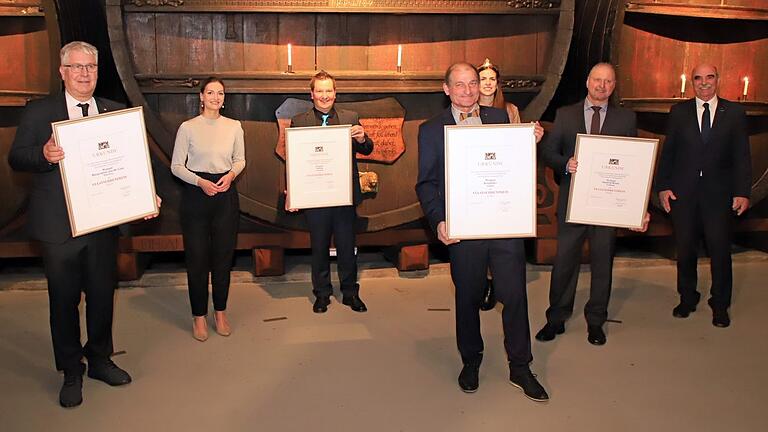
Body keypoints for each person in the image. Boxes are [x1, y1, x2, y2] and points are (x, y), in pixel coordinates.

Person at [8, 41, 160, 408]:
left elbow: (132, 165)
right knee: (63, 300)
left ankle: (100, 359)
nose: (84, 73)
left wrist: (144, 196)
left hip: (103, 225)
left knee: (102, 295)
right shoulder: (39, 112)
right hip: (58, 227)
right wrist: (43, 155)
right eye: (76, 67)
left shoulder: (115, 112)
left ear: (97, 70)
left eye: (90, 66)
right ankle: (71, 369)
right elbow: (16, 157)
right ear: (62, 72)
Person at [416, 62, 548, 401]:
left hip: (504, 226)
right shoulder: (432, 130)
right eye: (459, 85)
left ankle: (521, 365)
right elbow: (427, 183)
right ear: (446, 90)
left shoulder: (501, 119)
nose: (467, 90)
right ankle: (471, 360)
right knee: (468, 297)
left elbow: (514, 168)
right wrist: (438, 221)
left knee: (515, 295)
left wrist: (529, 142)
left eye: (472, 83)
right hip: (463, 229)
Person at [536, 63, 641, 346]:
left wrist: (635, 207)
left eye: (608, 81)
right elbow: (548, 151)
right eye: (597, 79)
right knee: (564, 263)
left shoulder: (626, 119)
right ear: (587, 81)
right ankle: (555, 318)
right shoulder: (565, 115)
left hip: (607, 207)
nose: (602, 85)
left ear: (614, 85)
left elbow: (634, 165)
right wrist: (565, 164)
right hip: (573, 203)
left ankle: (596, 321)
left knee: (602, 264)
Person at [656, 64, 751, 328]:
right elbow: (669, 153)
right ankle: (687, 297)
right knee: (685, 250)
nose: (704, 83)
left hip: (719, 197)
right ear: (692, 83)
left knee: (720, 252)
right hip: (683, 195)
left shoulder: (733, 112)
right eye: (698, 78)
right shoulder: (679, 112)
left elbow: (742, 156)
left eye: (709, 77)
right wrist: (662, 187)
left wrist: (742, 192)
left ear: (717, 80)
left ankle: (720, 304)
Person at [288, 71, 374, 314]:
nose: (324, 95)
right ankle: (322, 294)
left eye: (329, 91)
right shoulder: (300, 121)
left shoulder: (351, 117)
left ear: (335, 93)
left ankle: (350, 293)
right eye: (320, 91)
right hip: (315, 196)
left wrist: (362, 137)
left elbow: (367, 149)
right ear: (311, 94)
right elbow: (294, 160)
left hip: (344, 195)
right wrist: (293, 192)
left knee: (348, 247)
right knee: (319, 247)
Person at [171, 77, 245, 341]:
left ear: (224, 99)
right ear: (201, 97)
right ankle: (199, 316)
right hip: (196, 195)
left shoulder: (234, 126)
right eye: (210, 92)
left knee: (223, 258)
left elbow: (240, 159)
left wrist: (232, 175)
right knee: (198, 259)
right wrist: (200, 181)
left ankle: (221, 312)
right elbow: (176, 166)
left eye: (220, 93)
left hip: (225, 194)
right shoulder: (188, 128)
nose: (215, 97)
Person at [476, 58, 528, 311]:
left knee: (499, 234)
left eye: (491, 79)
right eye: (482, 79)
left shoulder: (510, 110)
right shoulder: (468, 109)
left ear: (498, 84)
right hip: (477, 179)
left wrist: (532, 139)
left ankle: (497, 281)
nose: (487, 83)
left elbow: (517, 145)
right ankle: (483, 282)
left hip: (502, 179)